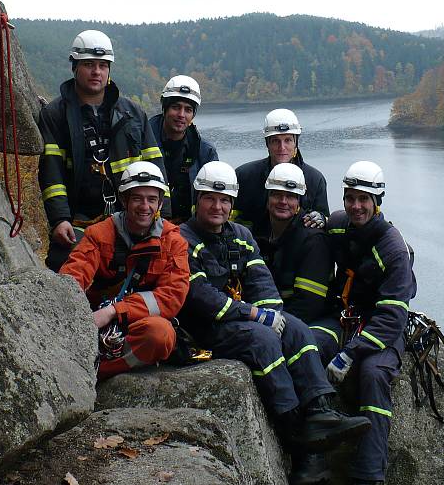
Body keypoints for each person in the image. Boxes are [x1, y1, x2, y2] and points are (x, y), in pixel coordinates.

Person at [176, 161, 370, 480]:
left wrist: (272, 313)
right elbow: (200, 296)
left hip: (237, 321)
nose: (218, 206)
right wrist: (255, 314)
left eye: (225, 200)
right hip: (204, 328)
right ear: (197, 199)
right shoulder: (183, 239)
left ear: (233, 204)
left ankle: (320, 409)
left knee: (293, 328)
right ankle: (297, 431)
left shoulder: (239, 235)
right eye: (210, 198)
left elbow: (260, 280)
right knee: (264, 339)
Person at [311, 161, 417, 485]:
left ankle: (368, 474)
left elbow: (392, 317)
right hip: (344, 316)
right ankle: (312, 447)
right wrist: (312, 220)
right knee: (310, 346)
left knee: (373, 373)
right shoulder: (340, 225)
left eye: (363, 199)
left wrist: (352, 352)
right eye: (350, 197)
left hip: (380, 327)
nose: (356, 206)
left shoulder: (393, 248)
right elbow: (318, 240)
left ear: (377, 201)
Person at [38, 30, 169, 271]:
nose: (96, 71)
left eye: (102, 65)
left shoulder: (132, 114)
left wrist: (164, 215)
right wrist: (60, 219)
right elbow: (52, 173)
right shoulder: (55, 114)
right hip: (79, 216)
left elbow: (156, 167)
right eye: (89, 65)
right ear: (75, 67)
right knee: (66, 267)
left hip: (129, 213)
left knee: (148, 268)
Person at [59, 161, 189, 381]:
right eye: (137, 198)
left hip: (134, 322)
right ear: (124, 200)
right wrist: (75, 316)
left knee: (161, 335)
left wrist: (113, 311)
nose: (144, 206)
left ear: (159, 204)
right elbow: (73, 276)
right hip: (95, 321)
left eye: (151, 199)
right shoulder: (99, 234)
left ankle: (99, 372)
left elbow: (172, 297)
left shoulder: (173, 242)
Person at [234, 109, 329, 238]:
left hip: (296, 251)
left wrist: (321, 218)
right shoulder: (244, 176)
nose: (282, 147)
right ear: (267, 144)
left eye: (288, 140)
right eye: (275, 141)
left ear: (296, 142)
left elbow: (325, 222)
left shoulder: (314, 180)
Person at [259, 163, 333, 326]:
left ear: (300, 201)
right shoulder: (259, 231)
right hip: (269, 317)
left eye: (290, 196)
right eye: (277, 194)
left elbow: (309, 305)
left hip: (310, 324)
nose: (283, 201)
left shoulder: (314, 240)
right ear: (267, 197)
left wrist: (271, 324)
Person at [150, 75, 218, 223]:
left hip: (190, 229)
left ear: (193, 114)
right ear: (165, 108)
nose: (181, 115)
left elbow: (214, 197)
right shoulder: (142, 143)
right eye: (176, 107)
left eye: (188, 110)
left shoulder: (205, 152)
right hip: (147, 225)